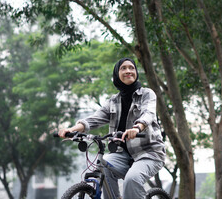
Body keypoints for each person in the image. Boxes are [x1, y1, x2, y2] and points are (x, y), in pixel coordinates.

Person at [58, 58, 166, 199]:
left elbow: (149, 113)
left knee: (132, 180)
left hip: (149, 153)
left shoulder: (147, 94)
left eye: (131, 68)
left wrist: (138, 128)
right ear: (117, 74)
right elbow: (95, 119)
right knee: (104, 165)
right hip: (122, 154)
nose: (128, 71)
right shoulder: (113, 101)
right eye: (123, 68)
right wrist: (72, 129)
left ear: (136, 72)